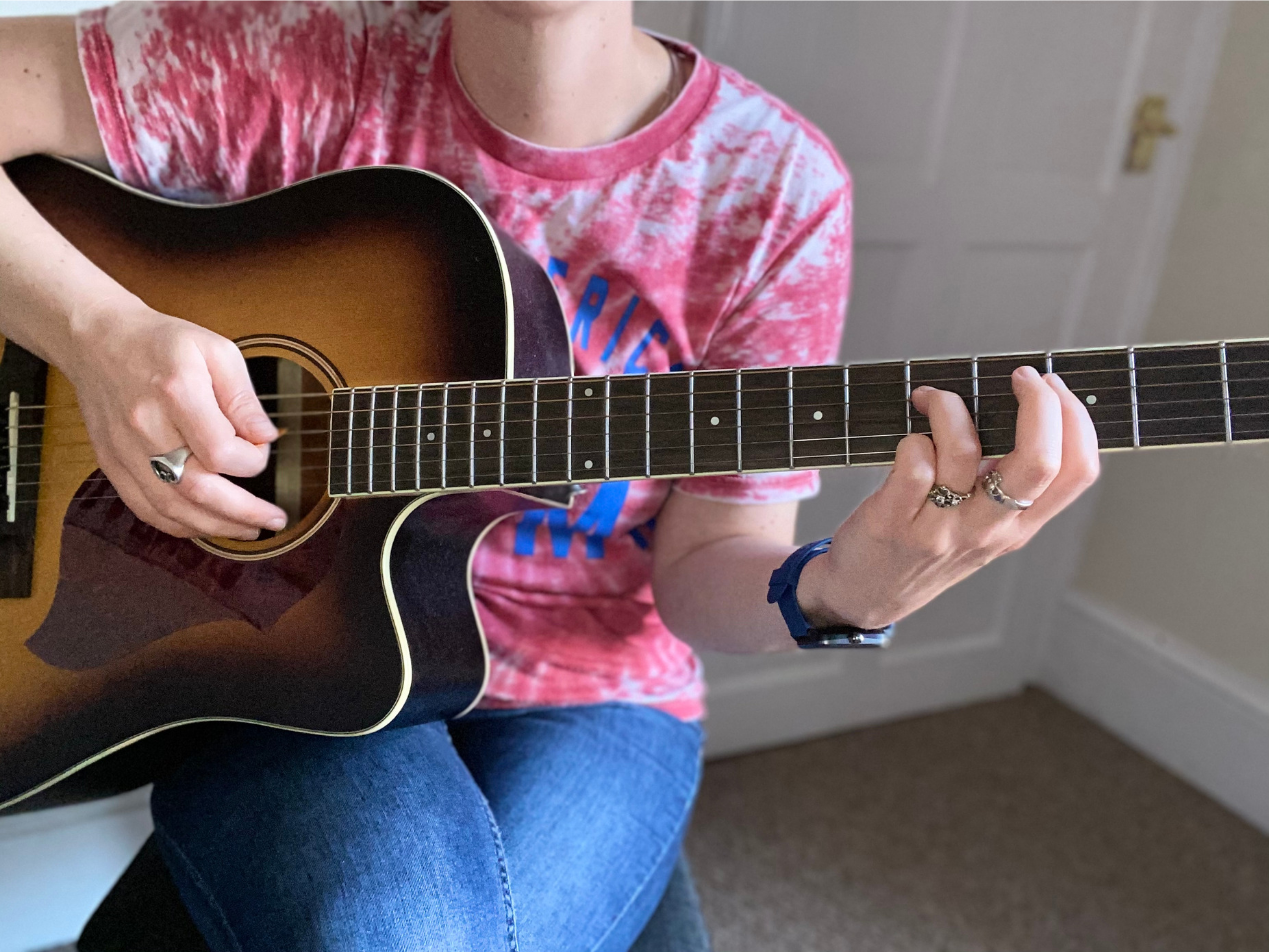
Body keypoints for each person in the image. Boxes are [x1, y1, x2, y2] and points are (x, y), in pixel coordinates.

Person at [0, 3, 1100, 950]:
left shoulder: (772, 187)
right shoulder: (296, 56)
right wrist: (100, 336)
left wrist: (839, 593)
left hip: (596, 694)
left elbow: (707, 568)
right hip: (289, 654)